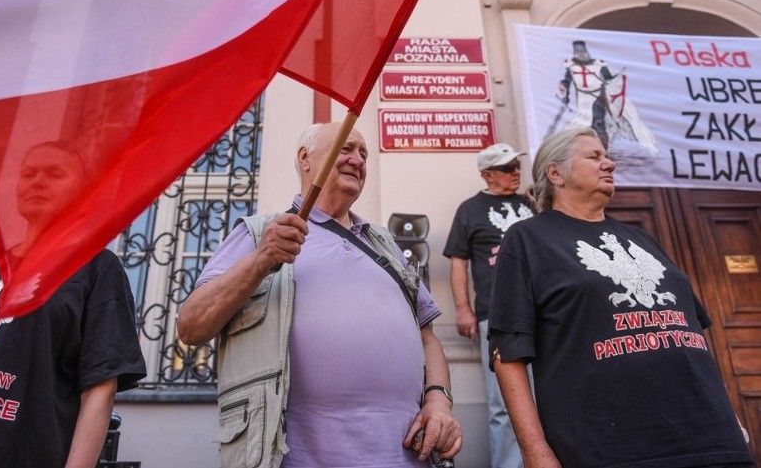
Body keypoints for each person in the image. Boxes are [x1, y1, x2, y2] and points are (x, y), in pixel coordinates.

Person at [177, 122, 462, 468]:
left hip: (405, 455)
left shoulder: (386, 245)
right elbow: (192, 326)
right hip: (302, 457)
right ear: (304, 157)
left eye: (364, 154)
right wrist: (262, 259)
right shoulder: (262, 233)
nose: (357, 159)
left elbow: (427, 338)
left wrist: (439, 401)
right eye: (346, 148)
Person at [487, 127, 754, 467]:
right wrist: (536, 453)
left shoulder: (640, 237)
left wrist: (731, 419)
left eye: (607, 156)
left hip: (712, 438)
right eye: (594, 157)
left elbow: (693, 337)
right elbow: (508, 351)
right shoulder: (528, 239)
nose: (609, 164)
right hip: (613, 447)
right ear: (555, 173)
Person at [0, 140, 147, 468]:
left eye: (53, 174)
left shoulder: (95, 268)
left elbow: (99, 389)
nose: (37, 181)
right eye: (29, 173)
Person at [443, 143, 533, 468]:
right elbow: (458, 262)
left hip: (547, 315)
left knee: (551, 397)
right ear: (488, 174)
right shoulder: (470, 209)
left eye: (517, 166)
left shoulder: (532, 203)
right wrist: (463, 308)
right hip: (498, 317)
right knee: (504, 402)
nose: (516, 173)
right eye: (508, 169)